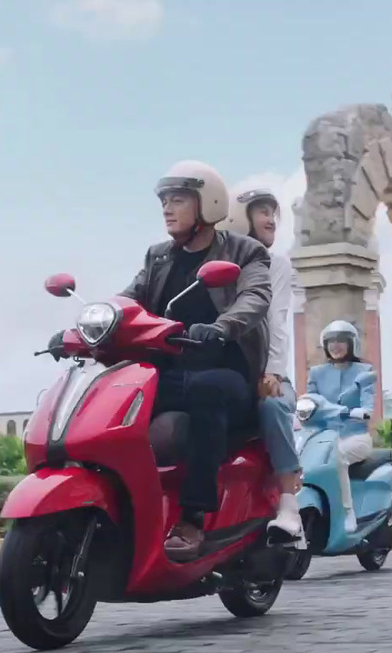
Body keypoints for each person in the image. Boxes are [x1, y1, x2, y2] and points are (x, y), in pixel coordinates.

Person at [112, 160, 273, 562]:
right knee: (116, 396)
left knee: (208, 391)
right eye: (164, 200)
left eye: (178, 199)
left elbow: (255, 298)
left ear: (208, 203)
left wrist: (221, 326)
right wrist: (90, 325)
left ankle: (193, 517)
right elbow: (127, 300)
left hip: (226, 375)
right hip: (170, 373)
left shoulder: (244, 252)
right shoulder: (159, 258)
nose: (167, 208)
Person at [222, 187, 303, 544]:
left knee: (271, 406)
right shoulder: (221, 262)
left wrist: (272, 373)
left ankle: (289, 505)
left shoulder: (277, 266)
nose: (271, 219)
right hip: (229, 373)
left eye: (273, 212)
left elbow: (278, 322)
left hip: (269, 374)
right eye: (262, 212)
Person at [306, 321, 375, 534]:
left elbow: (367, 408)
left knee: (338, 457)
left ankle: (347, 512)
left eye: (342, 341)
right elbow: (310, 403)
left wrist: (354, 413)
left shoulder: (364, 372)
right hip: (322, 437)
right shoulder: (316, 373)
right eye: (331, 342)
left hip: (355, 437)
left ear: (351, 344)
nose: (336, 346)